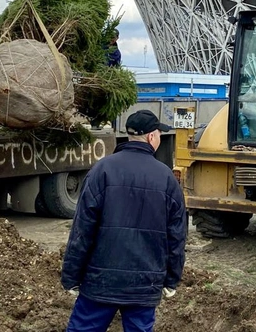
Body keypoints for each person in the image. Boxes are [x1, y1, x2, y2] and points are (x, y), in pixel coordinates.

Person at [61, 109, 187, 332]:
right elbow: (176, 235)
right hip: (144, 283)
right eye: (159, 133)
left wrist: (71, 275)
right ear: (151, 137)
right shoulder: (167, 178)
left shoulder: (102, 170)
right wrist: (171, 278)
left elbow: (82, 229)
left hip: (100, 281)